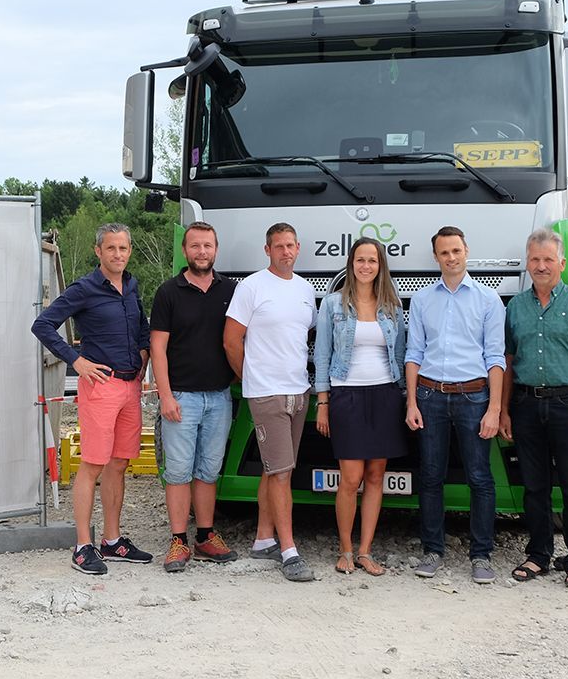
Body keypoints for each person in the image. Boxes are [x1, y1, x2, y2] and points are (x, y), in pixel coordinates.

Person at [32, 223, 152, 575]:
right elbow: (42, 324)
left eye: (123, 248)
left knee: (119, 463)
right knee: (93, 464)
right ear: (98, 251)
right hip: (101, 386)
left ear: (130, 251)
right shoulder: (84, 288)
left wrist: (143, 358)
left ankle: (112, 540)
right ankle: (83, 546)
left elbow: (142, 329)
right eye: (111, 248)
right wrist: (77, 361)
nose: (118, 254)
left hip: (130, 386)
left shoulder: (131, 286)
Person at [501, 228, 568, 588]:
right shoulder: (515, 307)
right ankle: (538, 555)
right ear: (527, 263)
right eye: (535, 259)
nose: (541, 266)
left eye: (548, 259)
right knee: (534, 487)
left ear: (562, 263)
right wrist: (505, 410)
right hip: (526, 405)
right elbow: (509, 361)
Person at [404, 226, 506, 585]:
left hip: (474, 397)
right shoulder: (422, 300)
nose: (451, 258)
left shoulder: (488, 300)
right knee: (431, 476)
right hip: (429, 396)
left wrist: (494, 409)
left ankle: (481, 555)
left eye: (456, 251)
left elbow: (495, 357)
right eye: (444, 252)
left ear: (466, 252)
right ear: (436, 257)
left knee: (480, 477)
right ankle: (432, 550)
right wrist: (411, 402)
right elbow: (414, 353)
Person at [224, 223, 318, 583]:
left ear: (298, 248)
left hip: (298, 391)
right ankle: (289, 551)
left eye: (290, 245)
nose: (285, 252)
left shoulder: (305, 289)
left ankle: (264, 539)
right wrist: (249, 378)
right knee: (280, 473)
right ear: (268, 250)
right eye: (278, 246)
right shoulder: (251, 287)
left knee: (278, 469)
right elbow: (232, 340)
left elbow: (303, 334)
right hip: (267, 393)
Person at [312, 237, 407, 576]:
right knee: (350, 478)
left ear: (381, 266)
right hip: (346, 395)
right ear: (351, 264)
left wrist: (404, 398)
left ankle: (365, 551)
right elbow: (322, 354)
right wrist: (323, 402)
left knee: (376, 475)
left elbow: (400, 354)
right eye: (360, 260)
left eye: (373, 261)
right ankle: (346, 550)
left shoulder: (392, 306)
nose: (366, 266)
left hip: (385, 394)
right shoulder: (333, 304)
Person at [149, 221, 239, 572]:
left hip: (219, 398)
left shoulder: (231, 290)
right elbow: (158, 348)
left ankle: (205, 536)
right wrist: (166, 396)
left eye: (208, 246)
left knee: (208, 471)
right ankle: (178, 541)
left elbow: (239, 339)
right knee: (178, 472)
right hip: (181, 399)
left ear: (216, 250)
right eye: (195, 246)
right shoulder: (168, 292)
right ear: (185, 250)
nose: (202, 252)